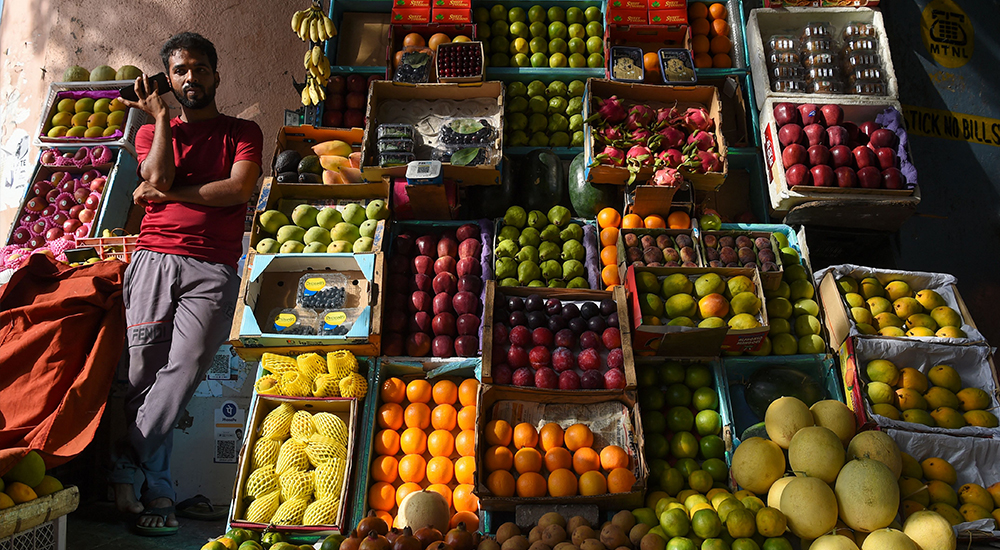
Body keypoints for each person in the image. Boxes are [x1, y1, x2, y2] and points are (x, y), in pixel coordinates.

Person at [108, 32, 263, 536]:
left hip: (212, 266)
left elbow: (239, 188)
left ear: (216, 74)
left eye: (199, 68)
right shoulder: (155, 131)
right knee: (141, 375)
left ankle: (125, 465)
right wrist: (156, 116)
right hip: (153, 260)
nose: (190, 78)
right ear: (169, 80)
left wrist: (173, 190)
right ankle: (161, 493)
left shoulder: (243, 130)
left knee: (187, 365)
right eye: (180, 71)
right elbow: (154, 173)